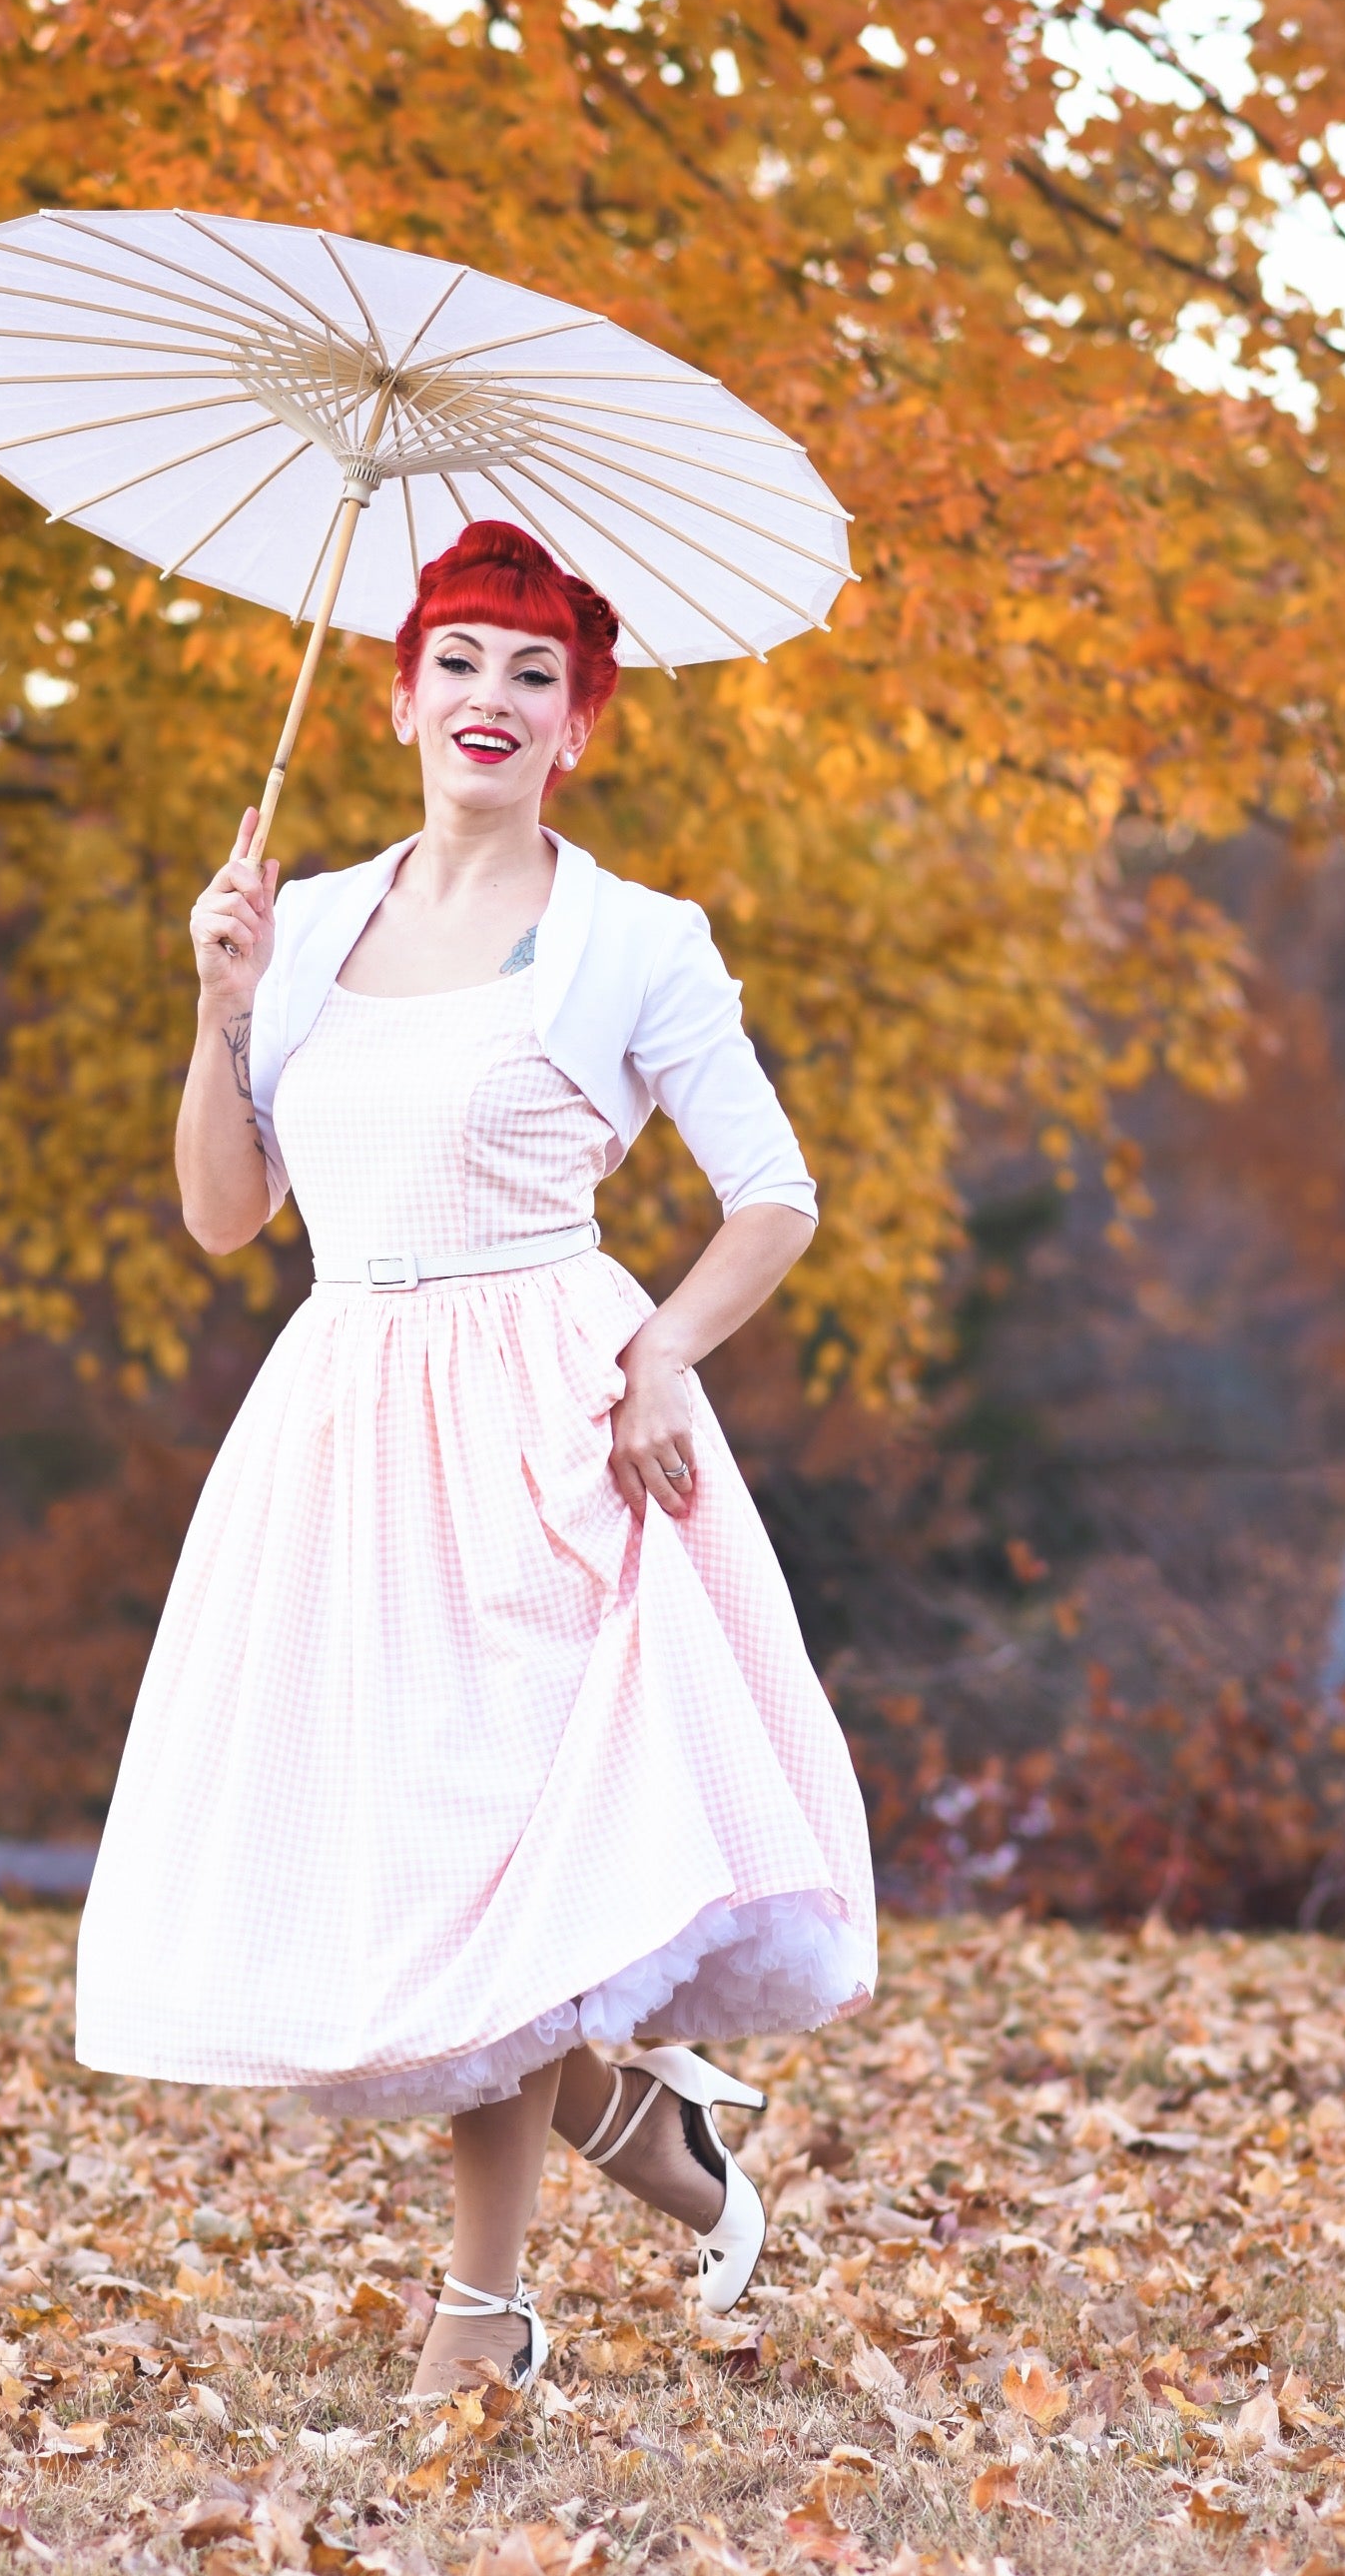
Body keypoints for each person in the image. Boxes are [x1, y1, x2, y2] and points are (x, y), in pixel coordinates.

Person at [76, 520, 876, 2398]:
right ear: (400, 695)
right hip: (349, 1420)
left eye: (535, 675)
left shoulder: (633, 944)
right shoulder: (310, 924)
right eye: (459, 662)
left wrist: (666, 1355)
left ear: (580, 725)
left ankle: (480, 2316)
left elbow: (772, 1197)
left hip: (552, 1420)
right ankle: (632, 2125)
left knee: (498, 1845)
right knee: (411, 1863)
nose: (491, 700)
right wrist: (217, 1009)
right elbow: (221, 1216)